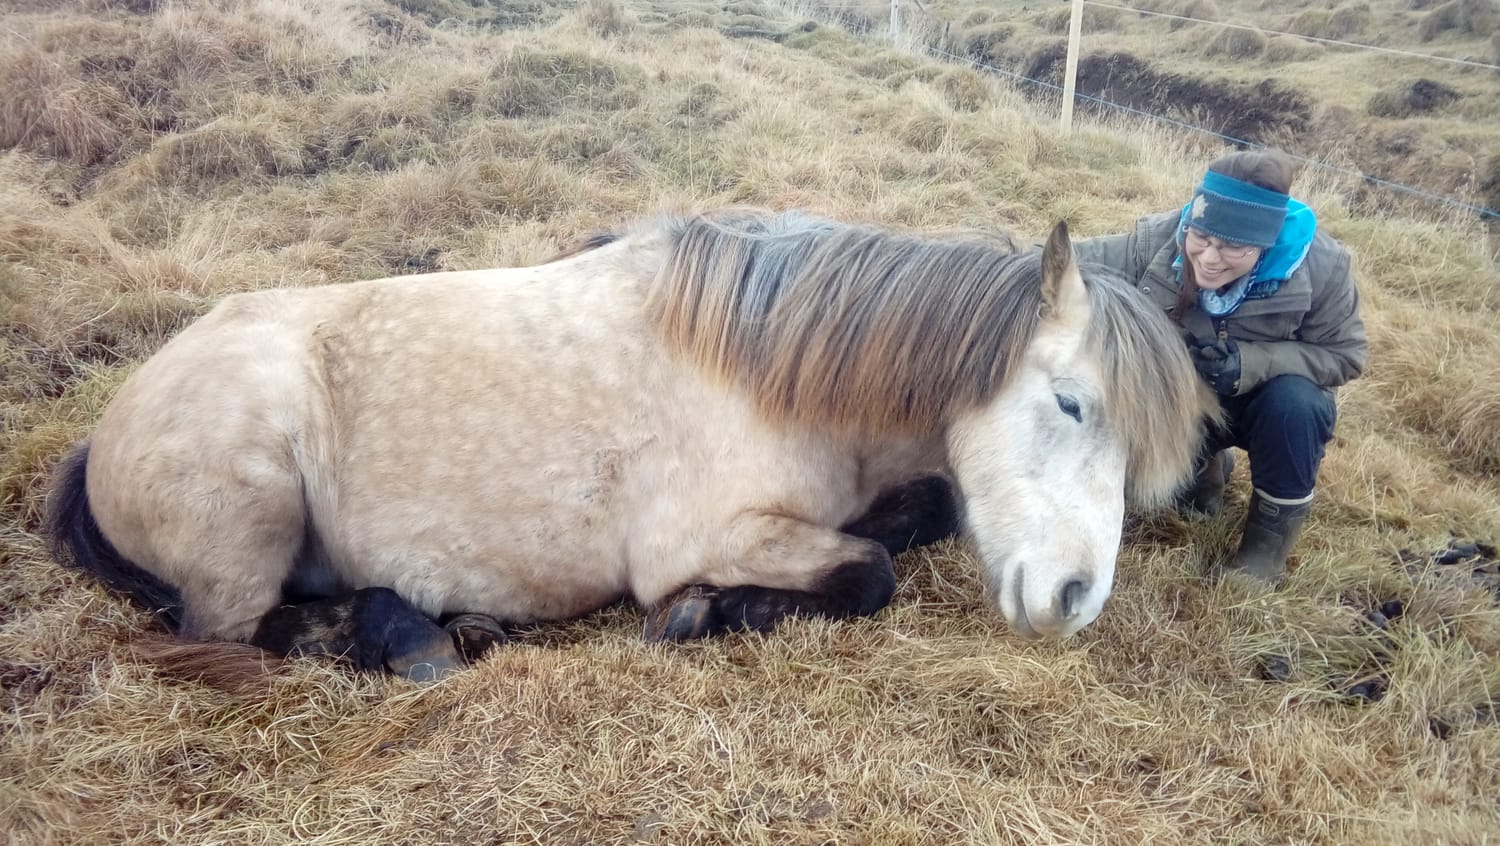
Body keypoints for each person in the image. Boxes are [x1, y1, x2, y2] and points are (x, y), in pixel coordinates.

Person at [1074, 148, 1367, 581]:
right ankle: (1203, 470)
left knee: (1298, 404)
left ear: (1265, 246)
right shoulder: (1156, 241)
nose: (1209, 258)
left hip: (1265, 409)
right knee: (1158, 490)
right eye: (1201, 238)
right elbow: (1057, 264)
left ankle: (1263, 555)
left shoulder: (1322, 267)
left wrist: (1250, 362)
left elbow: (1346, 355)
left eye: (1232, 246)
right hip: (1181, 400)